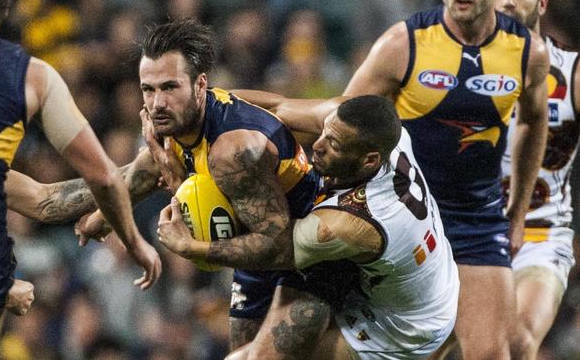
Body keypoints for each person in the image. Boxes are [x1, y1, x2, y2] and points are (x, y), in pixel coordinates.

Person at [16, 19, 359, 356]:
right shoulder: (170, 132)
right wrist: (104, 212)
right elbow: (80, 195)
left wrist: (192, 248)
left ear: (199, 85)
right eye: (148, 90)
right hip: (258, 262)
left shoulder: (235, 150)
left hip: (311, 258)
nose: (157, 103)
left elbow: (281, 246)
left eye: (169, 87)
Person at [0, 0, 161, 358]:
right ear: (4, 10)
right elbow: (100, 178)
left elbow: (42, 200)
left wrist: (138, 173)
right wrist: (134, 243)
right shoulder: (31, 73)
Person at [156, 95, 460, 360]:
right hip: (423, 281)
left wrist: (191, 247)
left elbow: (273, 248)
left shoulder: (348, 223)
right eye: (325, 132)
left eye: (334, 145)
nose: (317, 145)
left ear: (369, 160)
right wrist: (202, 108)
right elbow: (277, 106)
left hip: (402, 329)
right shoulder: (380, 134)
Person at [342, 0, 550, 358]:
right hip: (408, 218)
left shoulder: (526, 51)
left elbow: (534, 120)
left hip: (477, 219)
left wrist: (517, 211)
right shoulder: (402, 44)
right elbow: (344, 122)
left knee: (491, 353)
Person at [495, 0, 578, 358]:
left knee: (517, 342)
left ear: (542, 3)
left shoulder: (573, 72)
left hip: (540, 235)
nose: (508, 0)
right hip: (461, 232)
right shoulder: (448, 69)